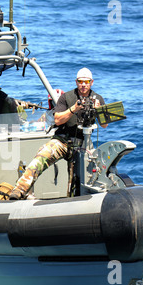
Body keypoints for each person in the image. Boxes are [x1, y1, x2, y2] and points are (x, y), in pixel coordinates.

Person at [9, 67, 108, 200]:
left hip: (81, 145)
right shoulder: (66, 97)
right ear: (76, 82)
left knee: (77, 182)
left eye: (86, 81)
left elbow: (104, 124)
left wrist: (99, 110)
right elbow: (58, 119)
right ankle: (19, 190)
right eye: (80, 81)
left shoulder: (98, 98)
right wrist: (73, 109)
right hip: (62, 141)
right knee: (41, 157)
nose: (83, 85)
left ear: (91, 82)